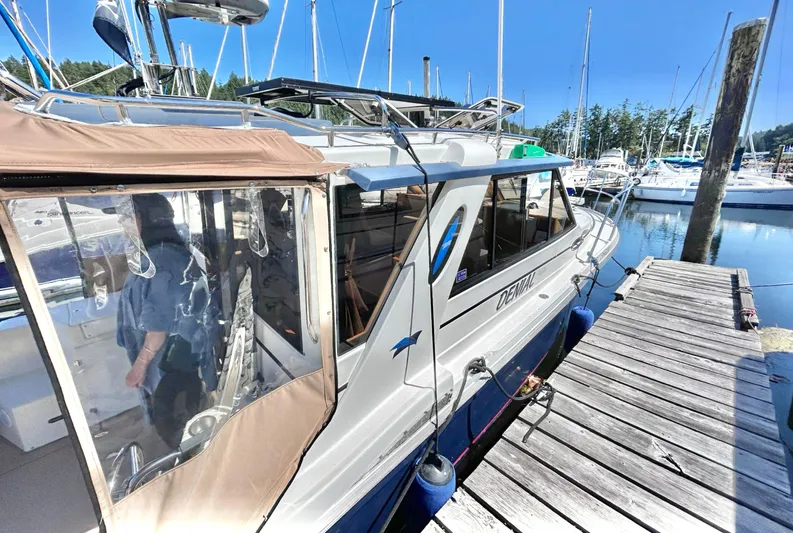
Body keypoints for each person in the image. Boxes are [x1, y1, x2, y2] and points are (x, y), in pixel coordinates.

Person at [115, 193, 212, 449]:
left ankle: (189, 462)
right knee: (175, 418)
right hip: (170, 362)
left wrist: (139, 366)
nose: (122, 225)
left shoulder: (162, 258)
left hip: (171, 364)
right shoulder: (159, 254)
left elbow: (160, 325)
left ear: (143, 219)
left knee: (177, 425)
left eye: (126, 218)